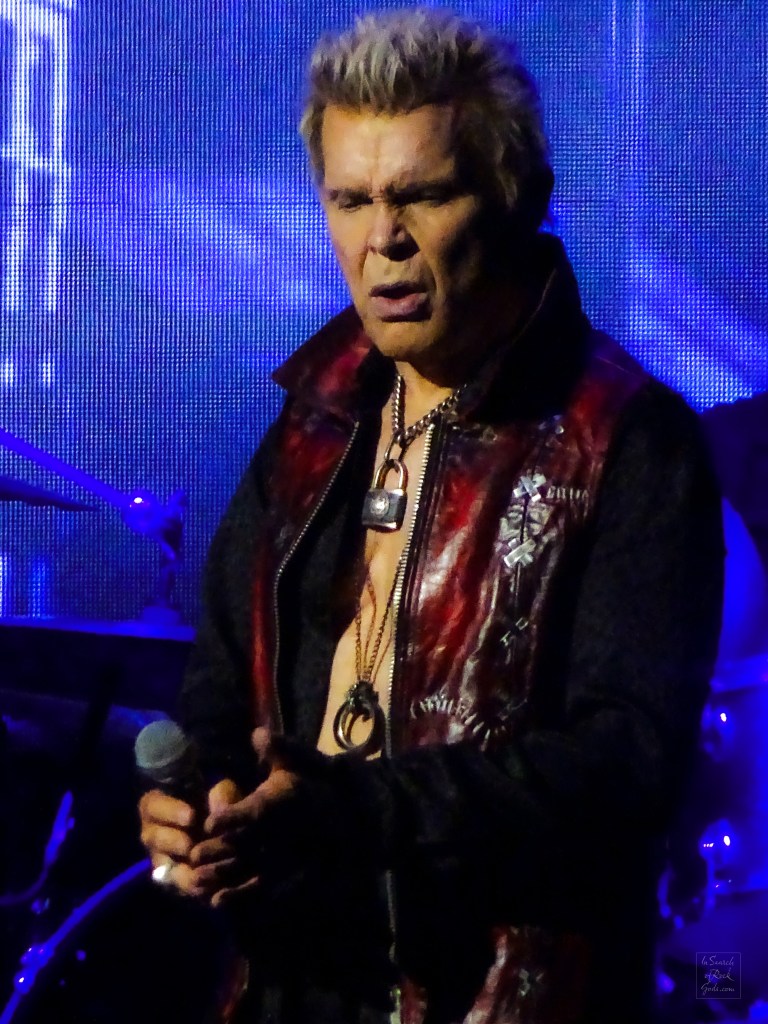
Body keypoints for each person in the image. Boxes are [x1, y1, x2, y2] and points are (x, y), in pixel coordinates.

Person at [139, 9, 724, 1023]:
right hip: (291, 983)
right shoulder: (313, 416)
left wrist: (353, 812)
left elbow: (625, 767)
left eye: (421, 194)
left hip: (499, 992)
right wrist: (201, 809)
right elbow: (222, 685)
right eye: (351, 199)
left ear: (513, 200)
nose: (383, 240)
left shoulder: (623, 438)